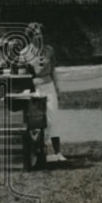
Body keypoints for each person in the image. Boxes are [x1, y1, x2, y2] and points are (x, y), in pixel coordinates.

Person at [17, 23, 67, 162]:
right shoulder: (24, 53)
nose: (39, 37)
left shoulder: (49, 50)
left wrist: (57, 88)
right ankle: (37, 152)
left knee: (53, 119)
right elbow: (22, 75)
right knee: (36, 122)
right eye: (36, 35)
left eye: (41, 34)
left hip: (49, 86)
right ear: (31, 37)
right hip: (34, 89)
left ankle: (58, 152)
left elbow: (53, 70)